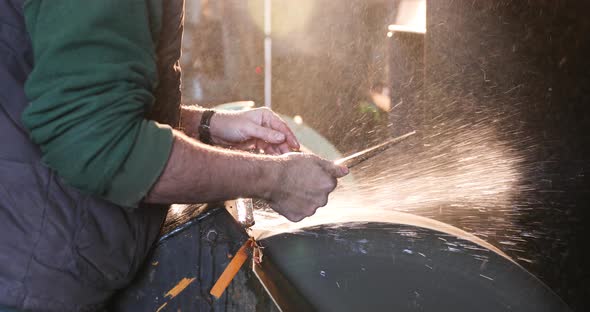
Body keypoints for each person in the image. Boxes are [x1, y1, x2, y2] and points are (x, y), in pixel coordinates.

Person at [0, 0, 348, 311]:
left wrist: (207, 124)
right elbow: (103, 144)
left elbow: (85, 96)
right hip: (26, 281)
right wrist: (276, 179)